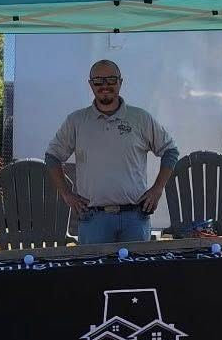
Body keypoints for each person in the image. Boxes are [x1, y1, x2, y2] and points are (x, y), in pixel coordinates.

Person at [45, 60, 179, 244]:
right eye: (99, 81)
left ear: (120, 82)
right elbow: (52, 157)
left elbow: (170, 151)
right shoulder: (76, 121)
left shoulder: (140, 118)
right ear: (91, 84)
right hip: (93, 220)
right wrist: (67, 194)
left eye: (111, 80)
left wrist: (157, 189)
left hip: (135, 218)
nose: (105, 86)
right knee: (95, 272)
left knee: (137, 273)